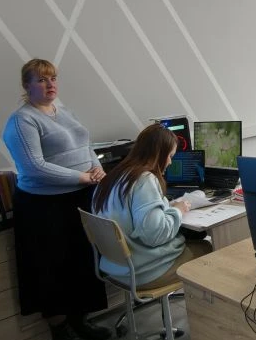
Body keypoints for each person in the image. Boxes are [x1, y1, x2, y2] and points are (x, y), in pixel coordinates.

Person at [3, 59, 110, 340]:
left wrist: (97, 169)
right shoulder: (22, 121)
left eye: (53, 78)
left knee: (81, 262)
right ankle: (60, 334)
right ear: (26, 86)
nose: (50, 84)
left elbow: (87, 147)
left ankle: (80, 321)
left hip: (79, 198)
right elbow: (34, 167)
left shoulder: (63, 112)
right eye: (41, 80)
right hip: (44, 207)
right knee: (52, 269)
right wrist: (82, 177)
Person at [91, 123, 212, 287]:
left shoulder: (112, 177)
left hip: (116, 268)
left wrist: (166, 208)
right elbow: (154, 235)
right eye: (170, 156)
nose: (170, 162)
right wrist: (177, 210)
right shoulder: (144, 180)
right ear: (158, 154)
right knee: (209, 249)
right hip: (145, 271)